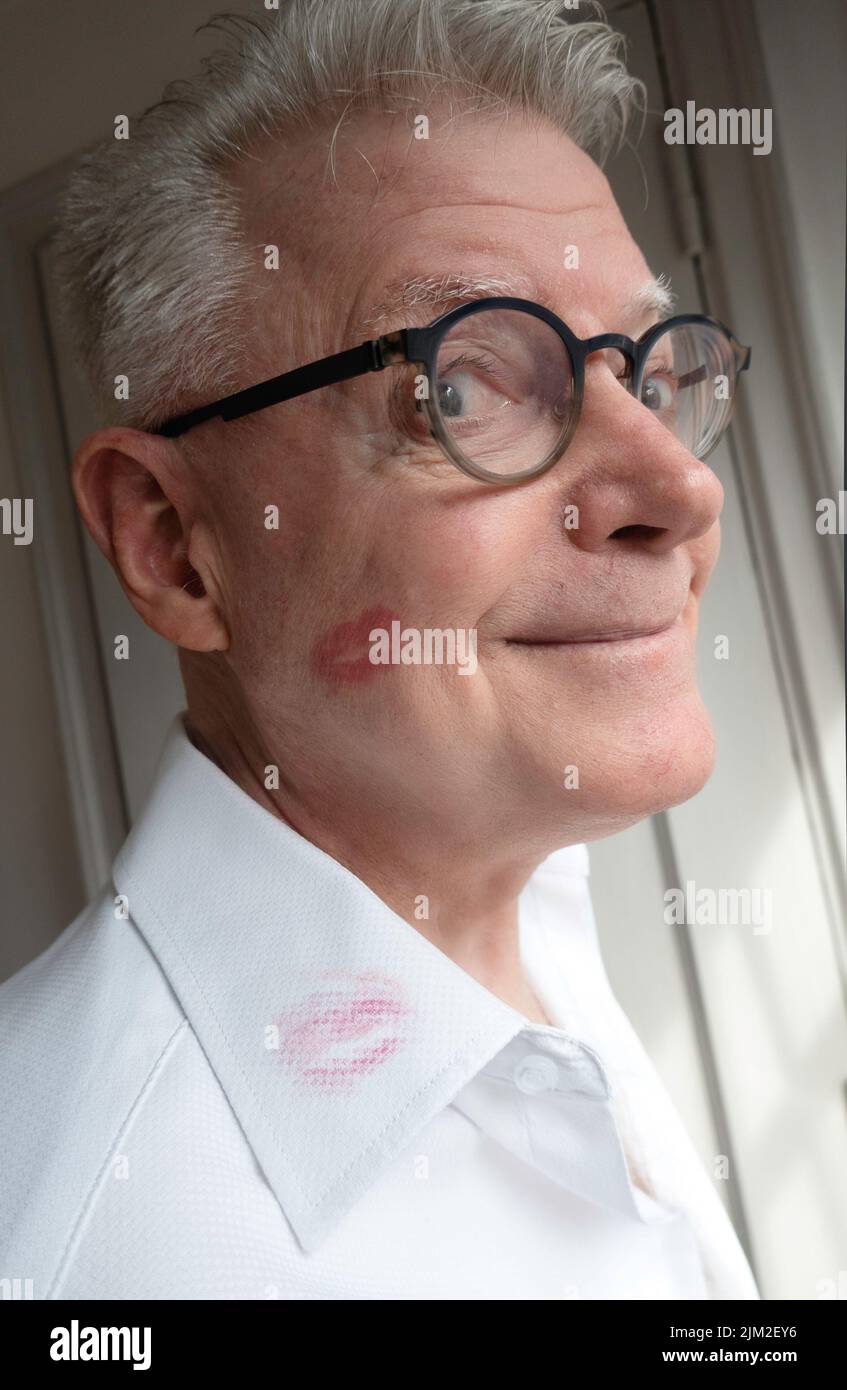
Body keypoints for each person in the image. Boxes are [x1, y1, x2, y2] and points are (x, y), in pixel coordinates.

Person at [0, 0, 758, 1299]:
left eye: (644, 372)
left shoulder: (534, 897)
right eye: (460, 388)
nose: (678, 490)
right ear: (176, 545)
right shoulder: (66, 1232)